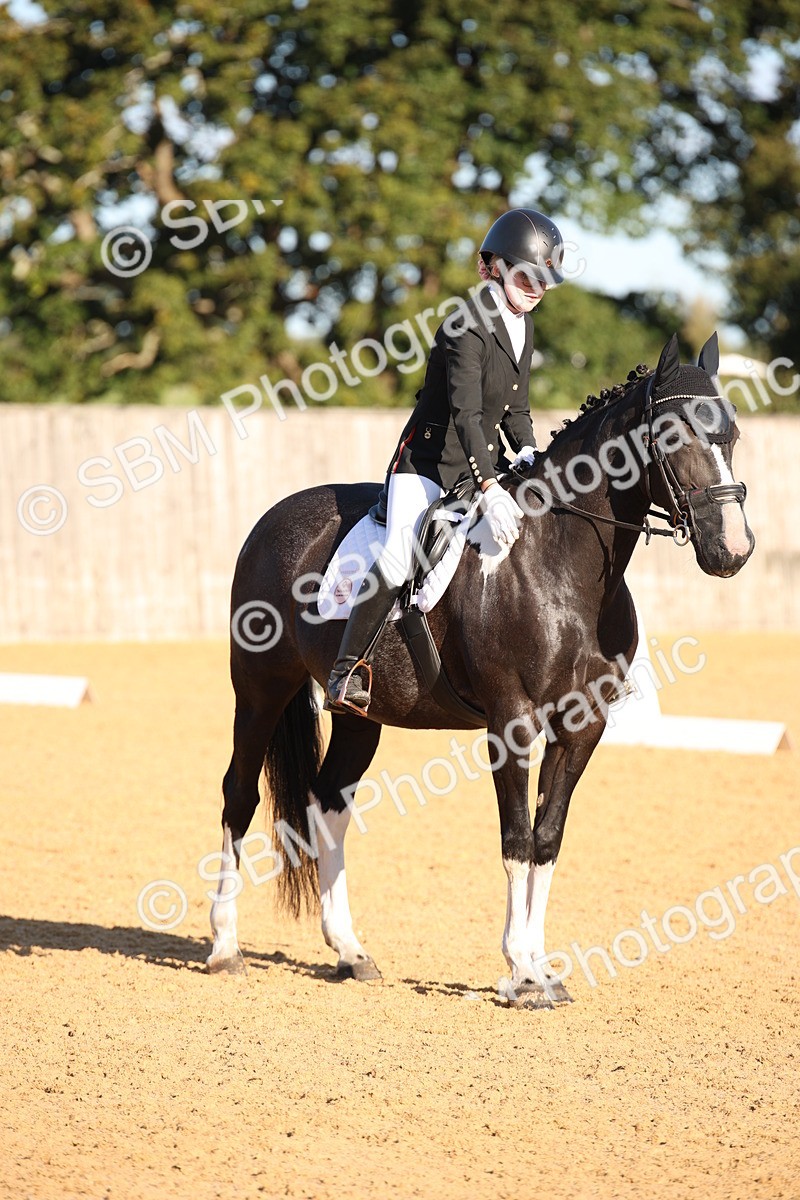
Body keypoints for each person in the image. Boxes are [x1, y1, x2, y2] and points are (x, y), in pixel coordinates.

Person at [325, 207, 566, 715]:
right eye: (527, 275)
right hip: (429, 465)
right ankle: (345, 674)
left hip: (482, 462)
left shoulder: (521, 327)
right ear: (492, 268)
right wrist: (489, 488)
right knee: (398, 555)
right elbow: (467, 412)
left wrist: (529, 454)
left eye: (545, 280)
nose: (536, 288)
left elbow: (515, 410)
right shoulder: (466, 323)